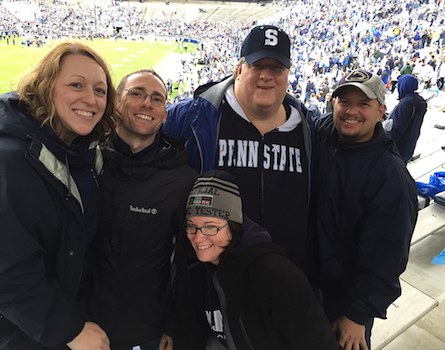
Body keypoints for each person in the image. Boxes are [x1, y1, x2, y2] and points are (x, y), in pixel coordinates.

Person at [164, 25, 314, 277]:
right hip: (207, 282)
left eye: (276, 67)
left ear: (288, 73)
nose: (267, 75)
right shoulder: (191, 118)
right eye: (258, 66)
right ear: (240, 68)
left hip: (286, 283)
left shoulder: (310, 130)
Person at [0, 42, 117, 349]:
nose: (90, 99)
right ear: (46, 86)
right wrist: (68, 330)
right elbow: (9, 271)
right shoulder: (9, 158)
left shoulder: (83, 151)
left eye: (100, 90)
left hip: (69, 312)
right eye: (76, 85)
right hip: (25, 331)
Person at [159, 170, 340, 350]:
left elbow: (319, 343)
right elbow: (189, 323)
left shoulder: (275, 275)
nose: (198, 238)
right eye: (192, 226)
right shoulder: (195, 265)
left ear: (234, 226)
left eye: (210, 227)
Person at [82, 69, 198, 349]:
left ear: (165, 113)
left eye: (157, 99)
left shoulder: (182, 180)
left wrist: (176, 323)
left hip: (145, 329)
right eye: (136, 93)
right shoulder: (83, 161)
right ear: (116, 102)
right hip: (79, 323)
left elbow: (189, 262)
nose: (147, 103)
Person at [310, 69, 419, 350]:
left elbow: (388, 255)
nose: (351, 111)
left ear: (382, 111)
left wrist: (358, 314)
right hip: (308, 284)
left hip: (344, 304)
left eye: (363, 104)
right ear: (332, 103)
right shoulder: (322, 133)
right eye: (344, 101)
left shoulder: (390, 177)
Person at [385, 74, 427, 164]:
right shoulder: (419, 101)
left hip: (397, 148)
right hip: (409, 145)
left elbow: (397, 128)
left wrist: (386, 145)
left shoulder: (406, 103)